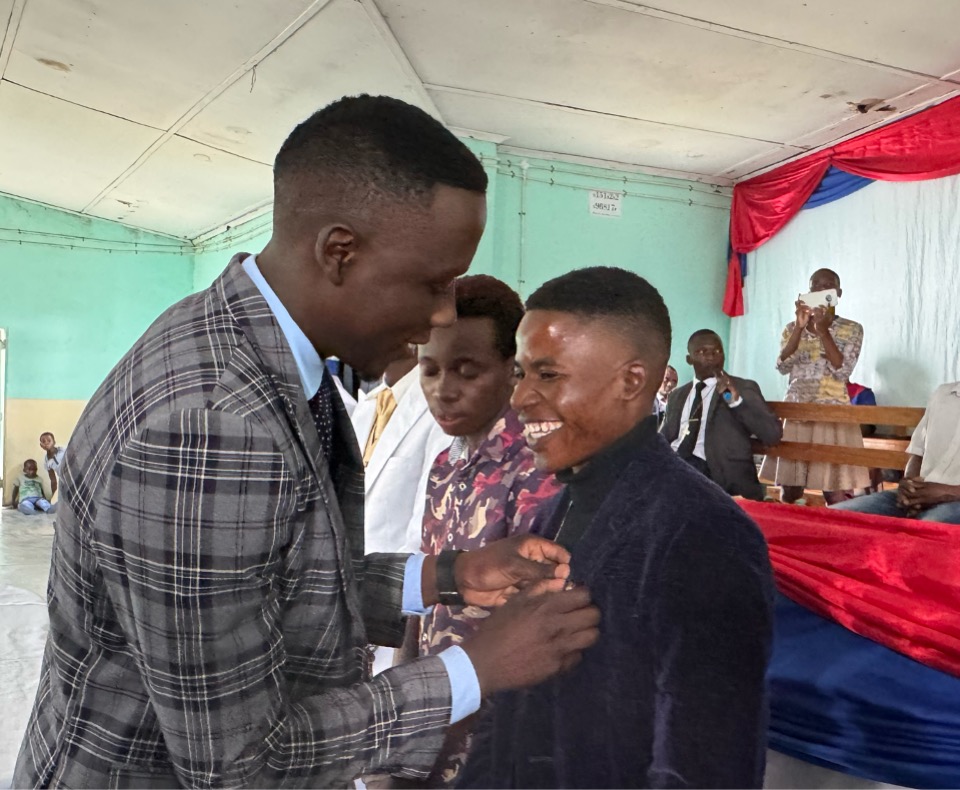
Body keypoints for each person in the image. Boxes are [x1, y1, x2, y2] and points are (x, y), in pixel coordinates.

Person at [14, 95, 600, 788]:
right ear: (339, 252)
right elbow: (243, 764)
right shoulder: (212, 423)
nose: (442, 312)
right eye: (432, 283)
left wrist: (447, 577)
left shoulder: (244, 341)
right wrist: (474, 669)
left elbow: (265, 583)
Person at [460, 267, 775, 789]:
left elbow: (701, 768)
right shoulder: (552, 512)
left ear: (632, 381)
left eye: (548, 374)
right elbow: (509, 712)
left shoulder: (703, 534)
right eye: (520, 374)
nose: (519, 398)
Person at [414, 275, 563, 786]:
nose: (443, 389)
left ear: (510, 370)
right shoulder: (443, 463)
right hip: (432, 713)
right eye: (429, 369)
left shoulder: (536, 470)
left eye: (466, 370)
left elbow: (535, 622)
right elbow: (428, 587)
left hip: (493, 733)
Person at [761, 268, 869, 504]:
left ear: (838, 293)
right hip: (797, 410)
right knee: (790, 487)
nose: (821, 290)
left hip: (832, 412)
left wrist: (822, 331)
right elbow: (782, 365)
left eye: (827, 286)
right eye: (815, 286)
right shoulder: (792, 328)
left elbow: (842, 371)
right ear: (808, 292)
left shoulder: (852, 329)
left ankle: (837, 537)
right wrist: (800, 328)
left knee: (835, 490)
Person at [352, 344, 450, 555]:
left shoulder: (440, 411)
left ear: (413, 341)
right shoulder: (367, 408)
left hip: (394, 580)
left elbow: (424, 538)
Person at [661, 329, 782, 501]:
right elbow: (665, 438)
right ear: (689, 359)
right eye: (702, 352)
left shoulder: (742, 388)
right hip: (678, 468)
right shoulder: (677, 395)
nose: (711, 357)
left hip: (720, 475)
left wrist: (736, 402)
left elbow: (772, 435)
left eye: (717, 352)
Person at [831, 381, 960, 523]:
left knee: (927, 529)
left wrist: (948, 493)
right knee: (834, 516)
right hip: (919, 494)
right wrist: (910, 488)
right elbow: (918, 452)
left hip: (955, 501)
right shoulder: (943, 394)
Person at [39, 432, 66, 501]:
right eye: (43, 441)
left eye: (49, 440)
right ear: (41, 445)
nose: (46, 443)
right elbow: (53, 480)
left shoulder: (63, 452)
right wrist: (53, 497)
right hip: (64, 480)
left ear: (54, 442)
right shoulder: (47, 461)